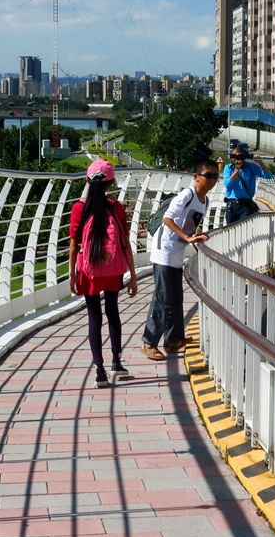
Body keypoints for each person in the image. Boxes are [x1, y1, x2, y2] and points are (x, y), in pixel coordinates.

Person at [141, 159, 220, 361]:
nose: (211, 180)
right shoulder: (188, 195)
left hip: (176, 253)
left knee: (176, 298)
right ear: (196, 177)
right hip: (164, 251)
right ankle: (148, 343)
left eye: (215, 176)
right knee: (163, 298)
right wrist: (187, 238)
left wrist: (195, 236)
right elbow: (167, 219)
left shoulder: (205, 202)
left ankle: (174, 339)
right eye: (208, 175)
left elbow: (189, 225)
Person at [69, 159, 138, 388]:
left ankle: (99, 371)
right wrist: (133, 276)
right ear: (111, 183)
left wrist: (72, 275)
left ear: (88, 180)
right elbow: (125, 242)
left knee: (93, 317)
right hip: (112, 268)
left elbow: (73, 245)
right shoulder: (116, 207)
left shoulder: (79, 208)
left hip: (88, 270)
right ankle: (116, 361)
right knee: (113, 311)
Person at [223, 143, 272, 225]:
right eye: (234, 157)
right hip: (231, 204)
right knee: (230, 230)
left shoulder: (251, 167)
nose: (237, 160)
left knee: (243, 228)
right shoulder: (228, 168)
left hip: (245, 205)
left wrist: (260, 162)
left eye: (239, 157)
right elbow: (227, 184)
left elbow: (268, 175)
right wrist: (237, 170)